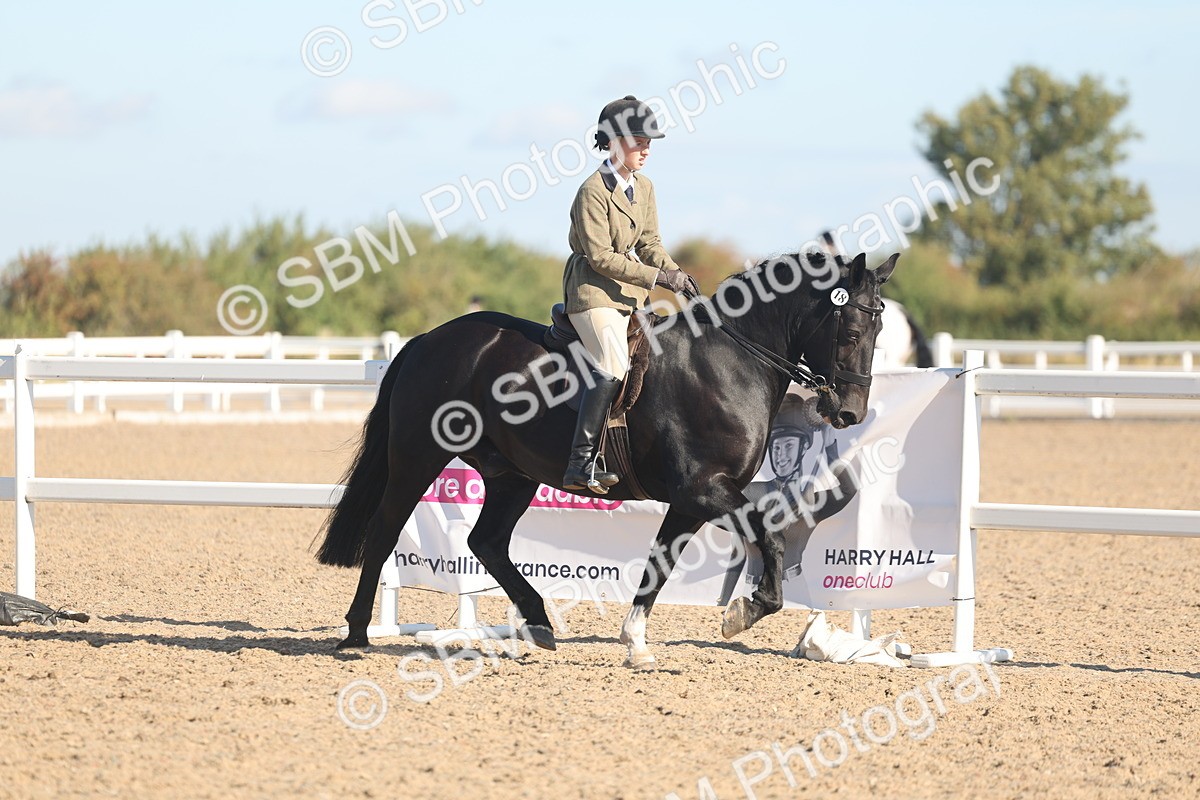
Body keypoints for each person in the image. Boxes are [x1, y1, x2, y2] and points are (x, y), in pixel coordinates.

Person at [561, 95, 696, 493]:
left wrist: (676, 273)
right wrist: (658, 278)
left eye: (648, 142)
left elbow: (650, 243)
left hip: (630, 295)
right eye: (638, 141)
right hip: (593, 293)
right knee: (614, 362)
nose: (646, 149)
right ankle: (580, 462)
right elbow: (601, 257)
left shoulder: (645, 187)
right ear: (614, 142)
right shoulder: (592, 191)